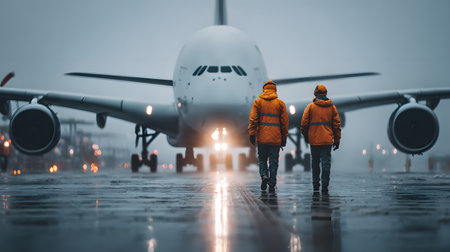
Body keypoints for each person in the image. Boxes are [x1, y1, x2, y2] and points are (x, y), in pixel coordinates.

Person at [248, 80, 289, 193]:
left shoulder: (258, 102)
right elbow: (285, 123)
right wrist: (284, 137)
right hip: (275, 139)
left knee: (262, 159)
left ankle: (264, 175)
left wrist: (252, 133)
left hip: (262, 138)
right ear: (275, 90)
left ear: (264, 89)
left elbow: (253, 120)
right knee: (273, 162)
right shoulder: (280, 104)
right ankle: (272, 184)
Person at [301, 84, 341, 193]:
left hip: (314, 141)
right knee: (326, 164)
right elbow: (337, 125)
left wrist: (306, 136)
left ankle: (315, 185)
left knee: (315, 164)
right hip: (327, 141)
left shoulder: (310, 107)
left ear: (315, 94)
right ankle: (324, 185)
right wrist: (337, 140)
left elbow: (304, 124)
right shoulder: (332, 108)